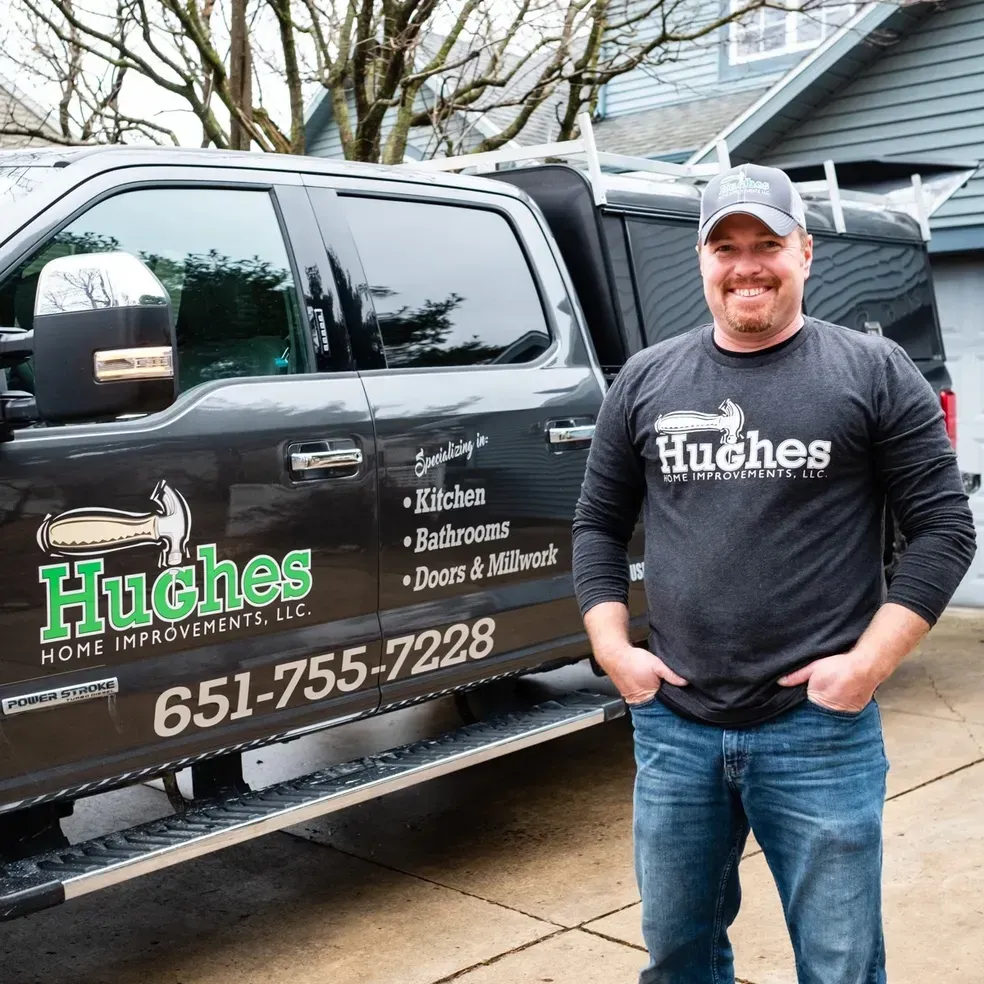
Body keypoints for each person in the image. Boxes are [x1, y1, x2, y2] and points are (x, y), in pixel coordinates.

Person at [571, 163, 977, 984]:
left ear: (805, 253)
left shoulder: (871, 370)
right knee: (677, 951)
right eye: (726, 246)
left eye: (767, 243)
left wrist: (866, 668)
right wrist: (614, 648)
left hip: (817, 733)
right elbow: (597, 525)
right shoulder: (647, 379)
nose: (746, 264)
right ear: (701, 259)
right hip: (675, 726)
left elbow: (943, 528)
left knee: (838, 963)